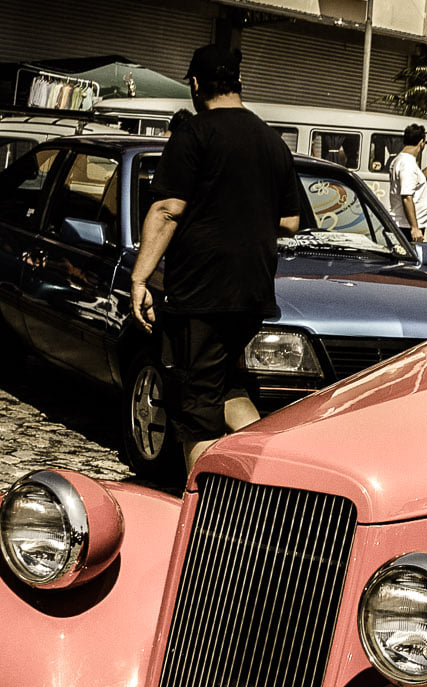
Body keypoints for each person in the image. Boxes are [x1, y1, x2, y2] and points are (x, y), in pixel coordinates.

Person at [129, 45, 301, 475]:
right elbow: (292, 221)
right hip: (254, 292)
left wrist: (139, 278)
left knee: (197, 405)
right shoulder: (271, 140)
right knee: (228, 387)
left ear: (195, 84)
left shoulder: (194, 133)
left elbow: (167, 209)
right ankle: (269, 483)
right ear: (238, 82)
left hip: (202, 292)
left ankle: (205, 511)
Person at [388, 123, 427, 243]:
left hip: (407, 224)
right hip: (407, 227)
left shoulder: (401, 160)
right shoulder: (408, 164)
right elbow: (407, 196)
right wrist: (414, 227)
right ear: (421, 143)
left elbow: (412, 184)